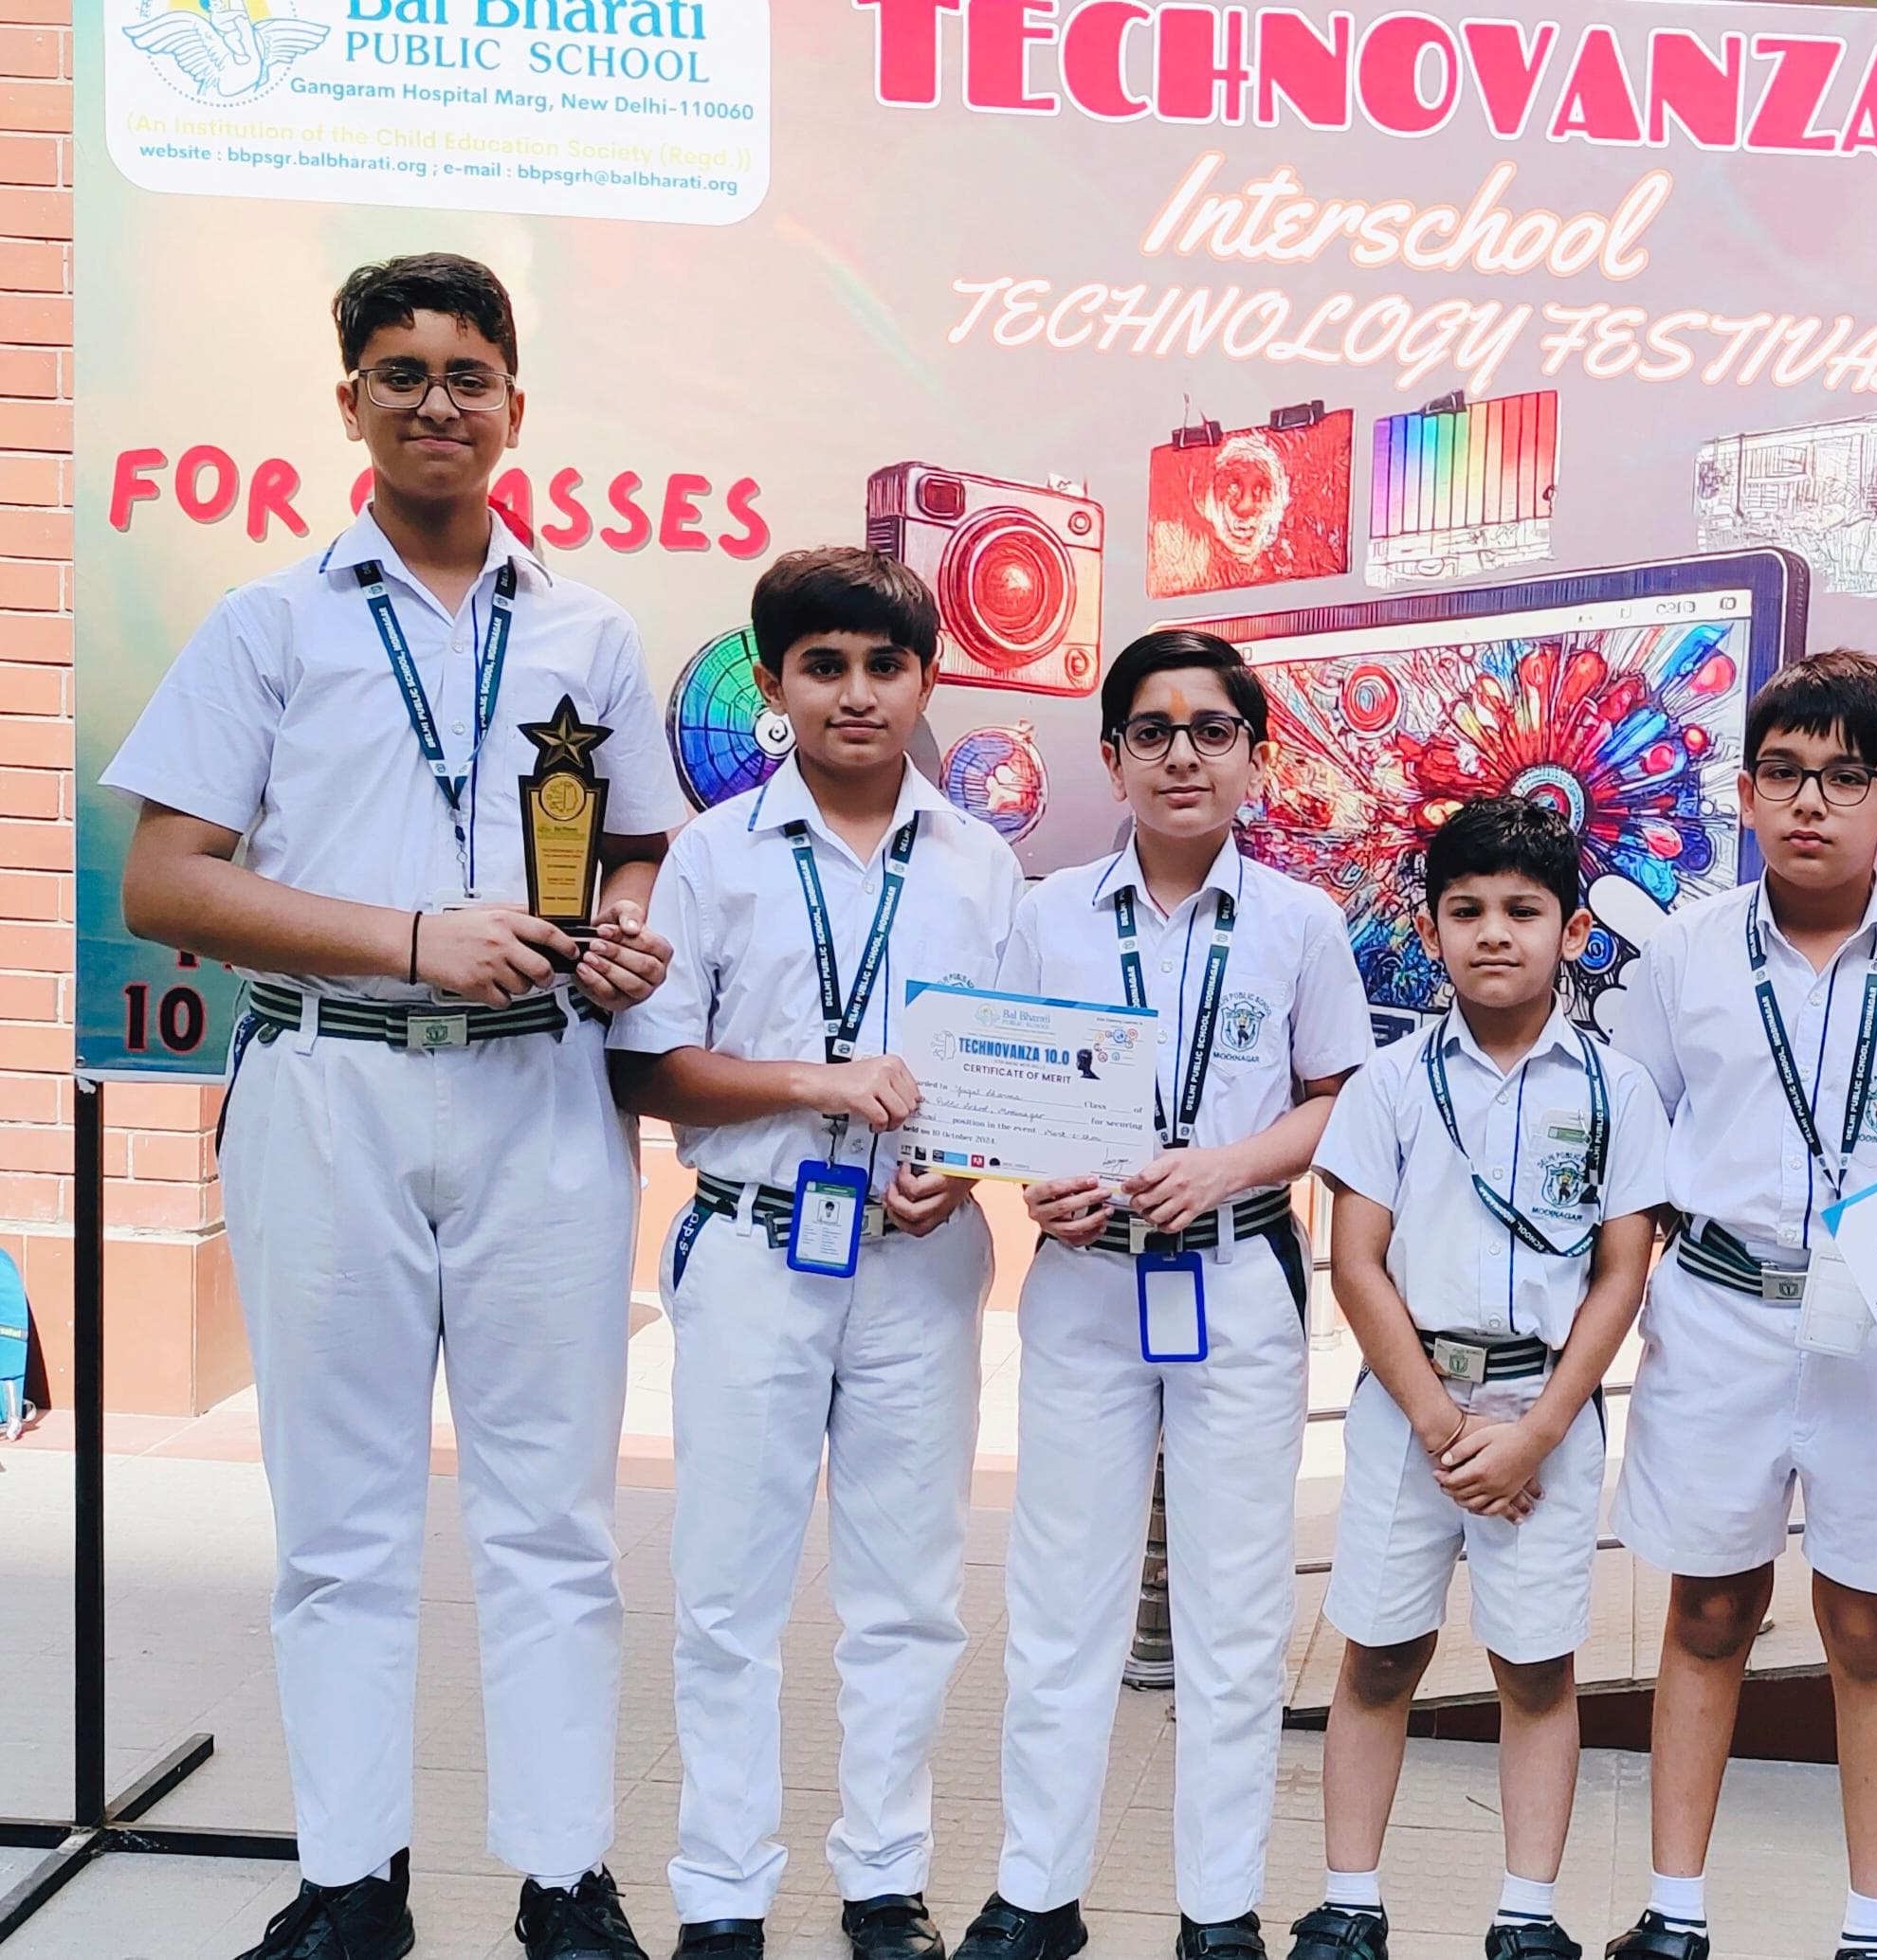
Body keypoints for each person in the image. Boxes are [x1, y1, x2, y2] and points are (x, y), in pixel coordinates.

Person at [105, 252, 686, 1960]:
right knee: (340, 1519)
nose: (440, 400)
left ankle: (564, 1879)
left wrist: (624, 927)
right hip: (328, 1086)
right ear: (350, 399)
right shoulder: (269, 623)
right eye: (403, 372)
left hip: (541, 1099)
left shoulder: (588, 629)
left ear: (516, 405)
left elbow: (637, 843)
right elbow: (165, 881)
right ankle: (351, 1883)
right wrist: (415, 939)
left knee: (553, 1516)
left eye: (468, 373)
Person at [607, 547, 1024, 1960]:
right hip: (753, 1250)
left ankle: (883, 1880)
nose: (856, 694)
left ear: (926, 680)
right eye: (822, 666)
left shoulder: (982, 863)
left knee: (908, 1595)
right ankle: (722, 1891)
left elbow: (1013, 1072)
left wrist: (966, 1163)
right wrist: (816, 1081)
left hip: (920, 1260)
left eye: (884, 666)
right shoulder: (713, 856)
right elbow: (649, 1069)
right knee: (726, 1593)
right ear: (773, 684)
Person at [962, 629, 1374, 1960]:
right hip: (1086, 1283)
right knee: (1060, 1595)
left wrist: (1225, 1167)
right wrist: (1034, 1182)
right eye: (1152, 731)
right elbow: (1000, 1093)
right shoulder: (1047, 916)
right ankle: (1036, 1895)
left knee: (1233, 1608)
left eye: (1210, 730)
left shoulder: (1301, 921)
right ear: (1112, 757)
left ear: (1254, 756)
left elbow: (1338, 1100)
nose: (1181, 755)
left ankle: (1218, 1910)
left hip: (1237, 1278)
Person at [1605, 650, 1877, 1960]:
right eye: (1782, 773)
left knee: (1872, 1625)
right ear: (1744, 792)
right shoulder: (1683, 958)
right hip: (1719, 1313)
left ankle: (1874, 1927)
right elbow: (1635, 1151)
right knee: (1706, 1610)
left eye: (1844, 776)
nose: (1809, 802)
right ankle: (1673, 1913)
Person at [1293, 797, 1672, 1960]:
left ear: (1572, 931)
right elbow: (1355, 1261)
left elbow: (1620, 1273)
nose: (1493, 932)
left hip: (1545, 1419)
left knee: (1536, 1665)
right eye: (1464, 910)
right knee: (1379, 1653)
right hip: (1409, 1408)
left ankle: (1526, 1915)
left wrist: (1537, 1432)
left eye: (1522, 909)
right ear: (1429, 929)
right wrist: (1438, 1422)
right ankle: (1348, 1902)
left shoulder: (1616, 1090)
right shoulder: (1389, 1083)